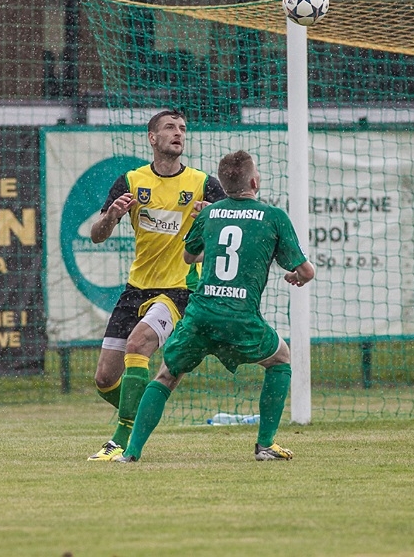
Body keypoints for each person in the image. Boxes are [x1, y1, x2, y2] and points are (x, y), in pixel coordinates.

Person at [114, 150, 315, 462]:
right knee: (280, 359)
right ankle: (265, 445)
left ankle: (131, 452)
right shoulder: (273, 217)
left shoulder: (210, 214)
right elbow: (306, 272)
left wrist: (215, 243)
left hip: (201, 315)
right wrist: (295, 275)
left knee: (166, 376)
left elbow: (189, 256)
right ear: (254, 181)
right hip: (239, 317)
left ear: (223, 184)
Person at [87, 110, 225, 461]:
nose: (178, 133)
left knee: (138, 344)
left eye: (183, 128)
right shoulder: (131, 181)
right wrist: (111, 216)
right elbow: (96, 236)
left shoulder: (204, 184)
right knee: (105, 379)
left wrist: (211, 219)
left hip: (180, 289)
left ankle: (120, 441)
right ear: (152, 138)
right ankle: (144, 409)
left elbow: (229, 235)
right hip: (136, 287)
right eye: (170, 127)